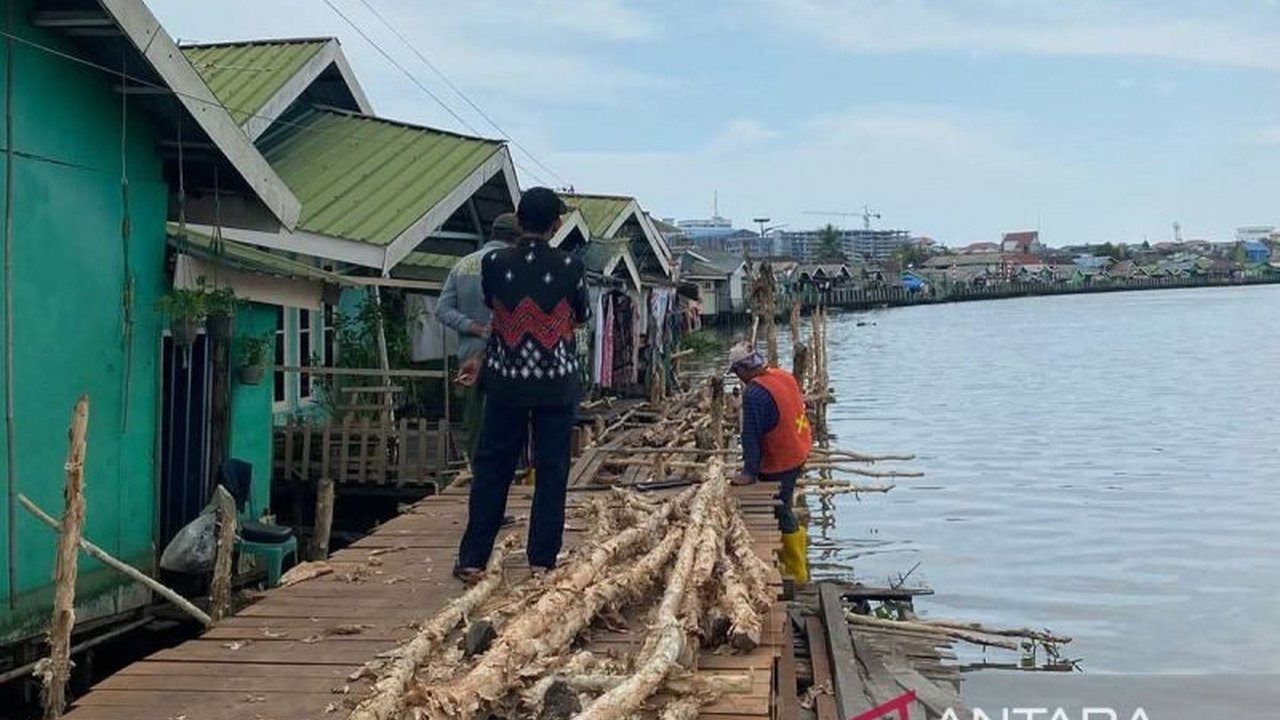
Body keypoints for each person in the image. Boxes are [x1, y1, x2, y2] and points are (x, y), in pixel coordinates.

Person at [454, 187, 590, 582]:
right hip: (555, 383)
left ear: (517, 218)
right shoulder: (570, 266)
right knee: (551, 470)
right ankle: (541, 560)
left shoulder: (494, 263)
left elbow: (493, 305)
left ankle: (473, 558)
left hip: (505, 381)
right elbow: (580, 315)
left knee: (492, 467)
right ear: (556, 224)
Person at [434, 213, 519, 459]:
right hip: (508, 360)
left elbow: (442, 310)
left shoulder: (463, 265)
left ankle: (475, 476)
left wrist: (472, 326)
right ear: (517, 238)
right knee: (506, 425)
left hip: (469, 359)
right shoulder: (514, 265)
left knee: (474, 427)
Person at [727, 341, 813, 583]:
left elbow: (750, 437)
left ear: (743, 370)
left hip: (782, 459)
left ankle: (796, 572)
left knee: (780, 509)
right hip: (799, 447)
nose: (738, 378)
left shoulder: (754, 394)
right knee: (784, 503)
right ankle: (795, 560)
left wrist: (749, 473)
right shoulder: (781, 375)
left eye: (737, 373)